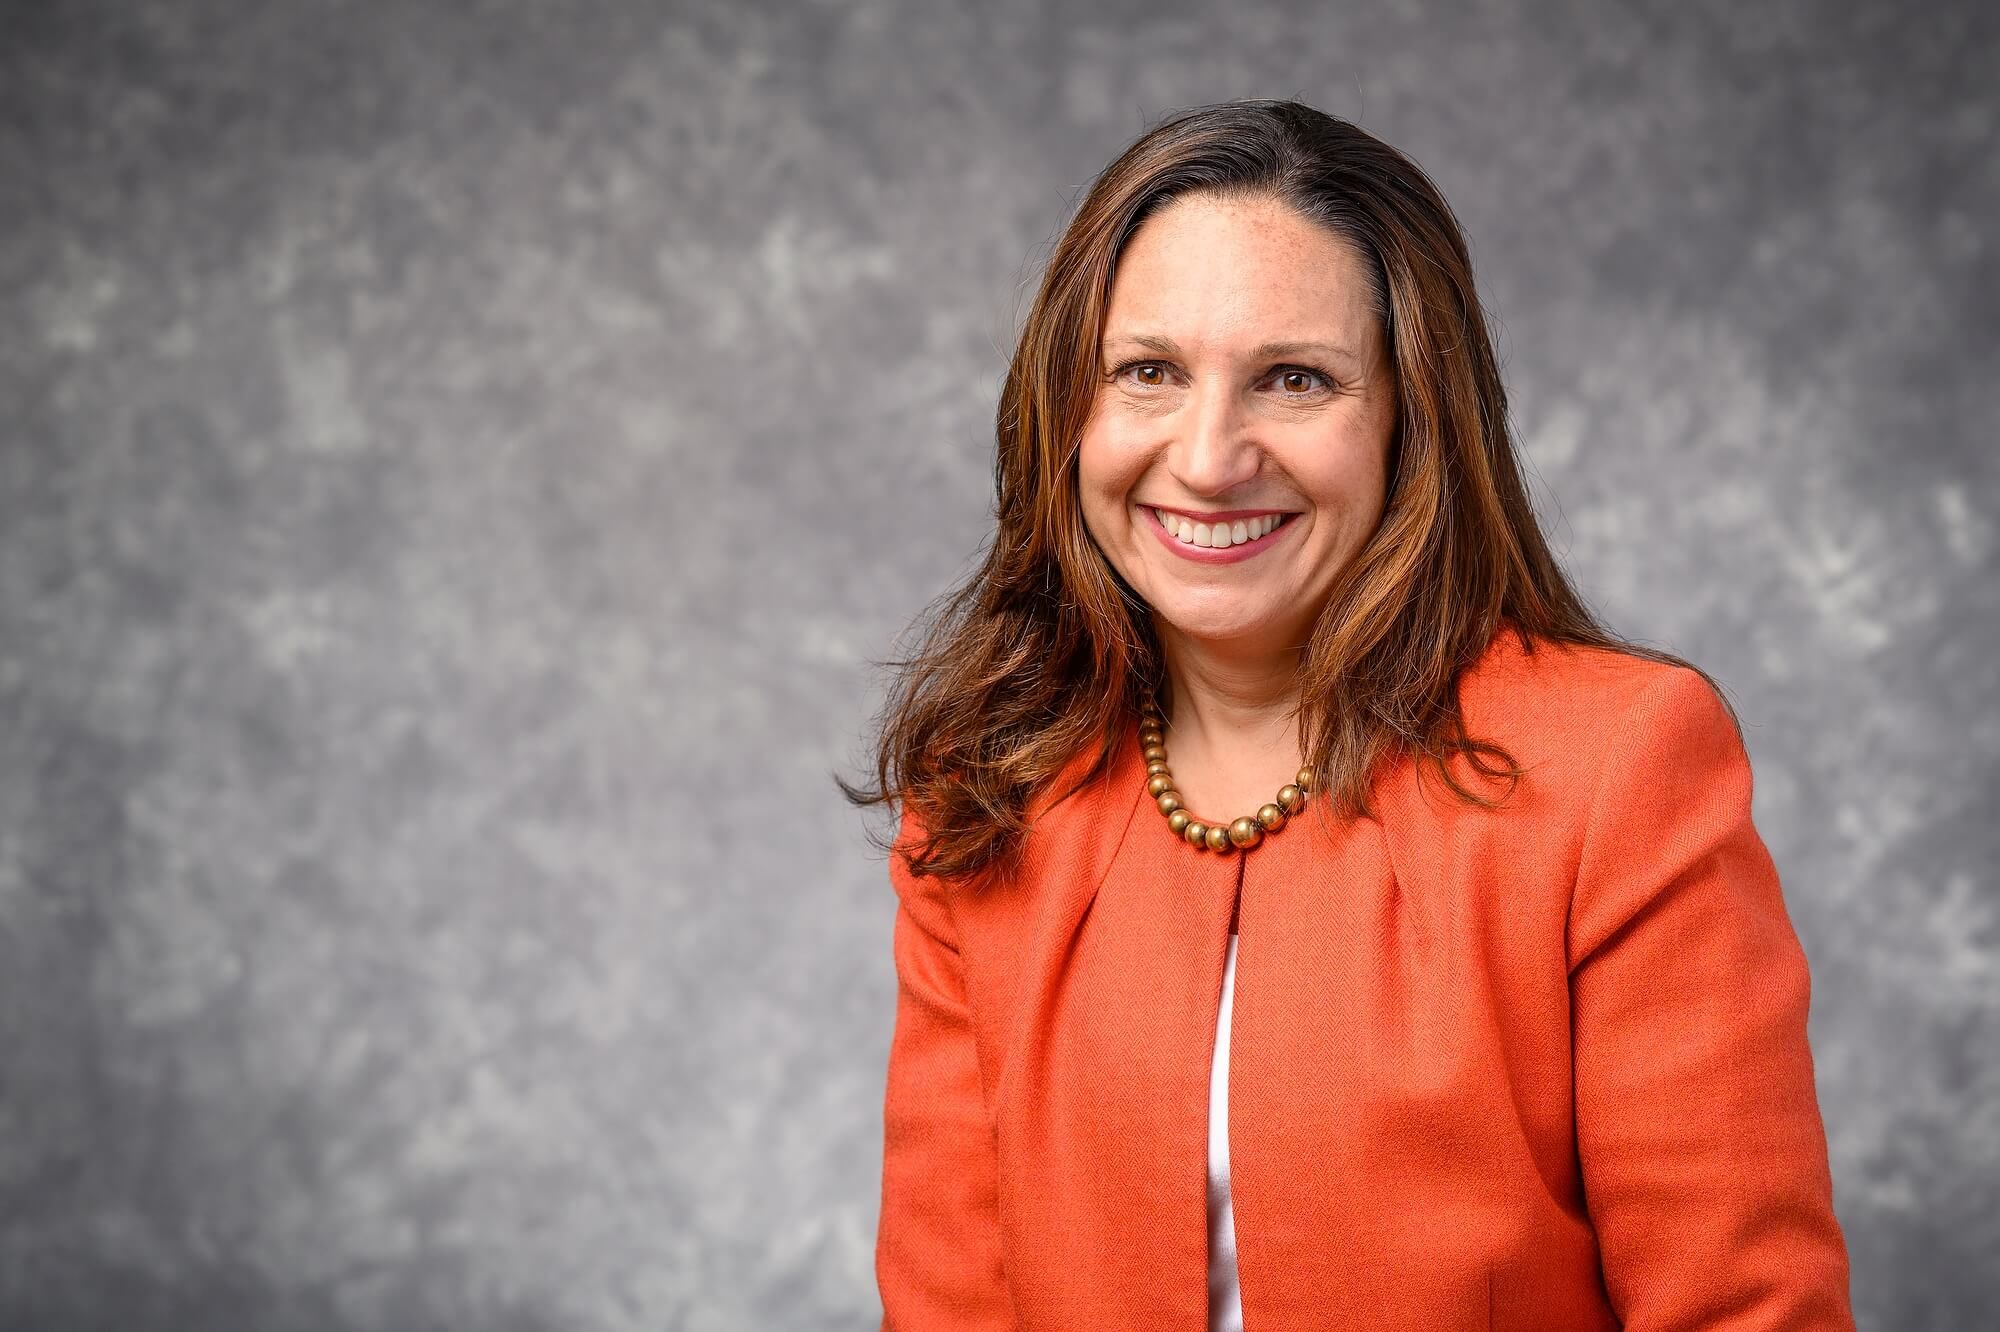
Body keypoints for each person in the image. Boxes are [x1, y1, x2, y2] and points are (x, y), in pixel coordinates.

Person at [843, 98, 1855, 1331]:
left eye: (1294, 379)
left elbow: (1740, 1312)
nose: (1208, 457)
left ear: (1408, 425)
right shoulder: (987, 786)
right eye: (1148, 372)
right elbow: (950, 1308)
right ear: (1070, 411)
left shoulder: (1617, 764)